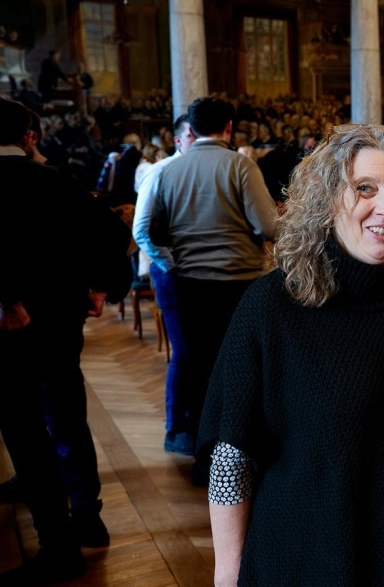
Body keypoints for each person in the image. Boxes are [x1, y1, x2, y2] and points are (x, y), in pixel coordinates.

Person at [199, 124, 384, 587]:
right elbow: (232, 456)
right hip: (307, 557)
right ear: (326, 202)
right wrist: (228, 574)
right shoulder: (272, 307)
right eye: (364, 188)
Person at [0, 97, 132, 581]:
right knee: (67, 415)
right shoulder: (55, 179)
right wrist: (100, 287)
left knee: (25, 433)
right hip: (59, 321)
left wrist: (7, 299)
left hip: (9, 328)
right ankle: (89, 518)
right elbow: (111, 231)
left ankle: (58, 545)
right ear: (26, 136)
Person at [133, 97, 277, 462]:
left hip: (190, 282)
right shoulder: (240, 166)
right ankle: (237, 453)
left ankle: (203, 453)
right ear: (229, 127)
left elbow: (150, 229)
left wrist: (173, 261)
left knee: (198, 365)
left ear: (191, 130)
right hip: (240, 281)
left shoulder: (167, 171)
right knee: (240, 365)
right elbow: (267, 226)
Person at [131, 114, 193, 454]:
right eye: (192, 135)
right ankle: (175, 427)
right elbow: (141, 229)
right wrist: (170, 265)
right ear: (179, 139)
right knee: (183, 351)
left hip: (203, 273)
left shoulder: (217, 168)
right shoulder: (161, 171)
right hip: (172, 272)